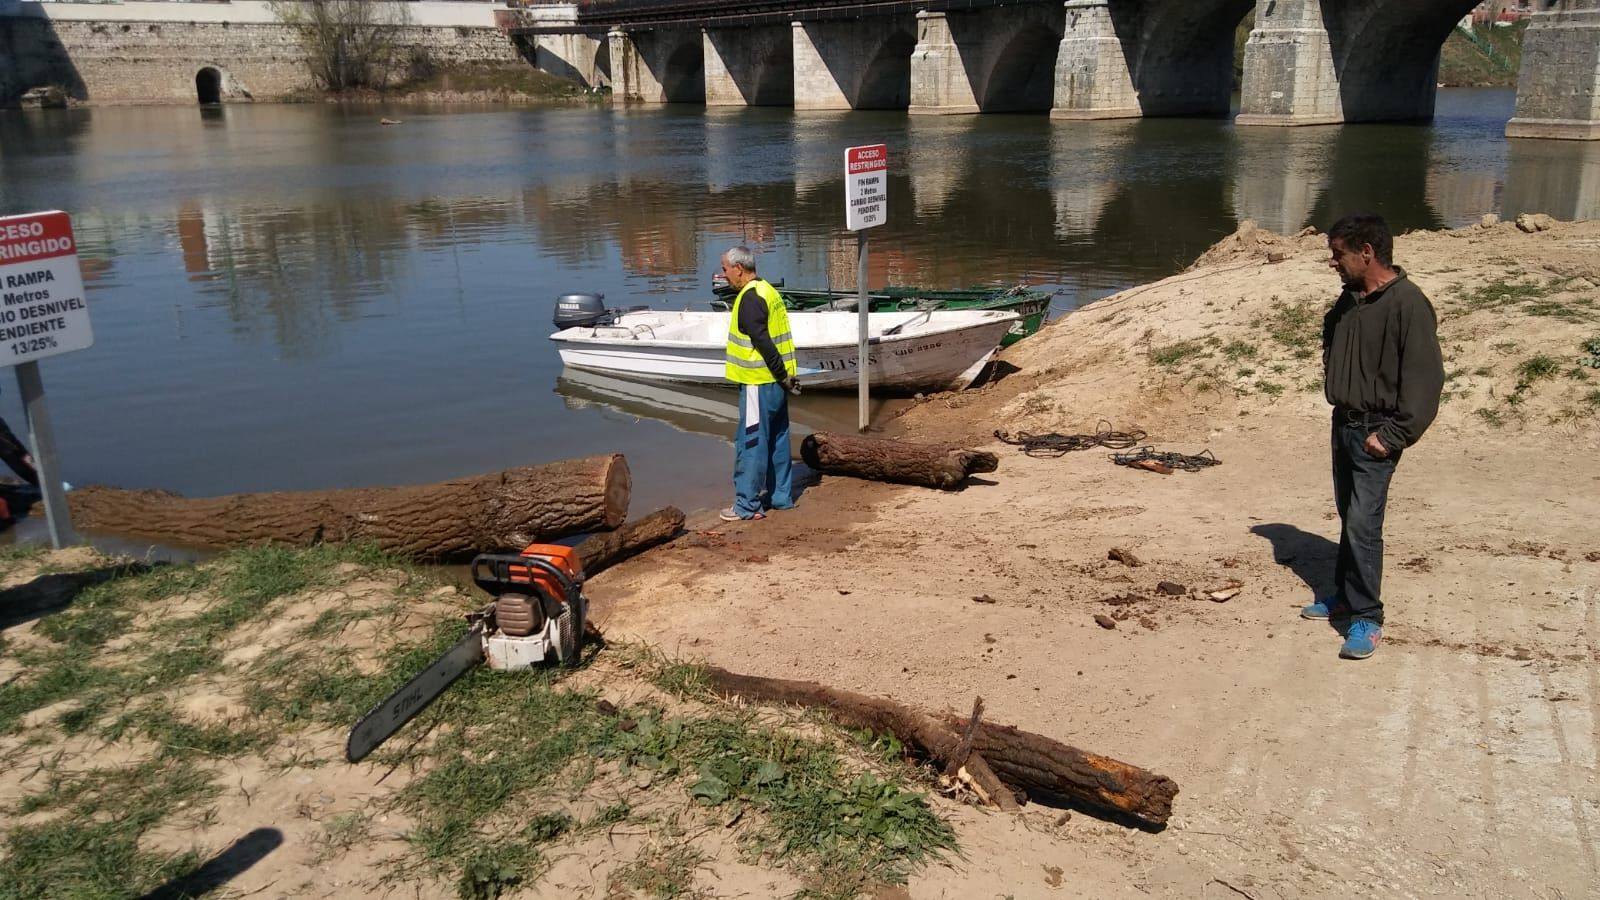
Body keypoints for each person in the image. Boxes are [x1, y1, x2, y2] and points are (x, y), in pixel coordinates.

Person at [1303, 214, 1443, 660]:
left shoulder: (1408, 305)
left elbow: (1425, 382)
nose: (1333, 263)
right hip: (1343, 425)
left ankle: (1366, 618)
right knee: (1349, 515)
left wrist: (1393, 435)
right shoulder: (1349, 301)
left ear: (1367, 253)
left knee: (1365, 522)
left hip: (1376, 434)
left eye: (1338, 254)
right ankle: (1344, 596)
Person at [718, 246, 799, 522]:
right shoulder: (769, 291)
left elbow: (762, 341)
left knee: (751, 442)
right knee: (778, 439)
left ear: (739, 269)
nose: (723, 274)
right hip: (777, 383)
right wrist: (785, 377)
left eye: (726, 269)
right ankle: (781, 497)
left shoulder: (750, 298)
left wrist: (778, 372)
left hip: (758, 383)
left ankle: (746, 505)